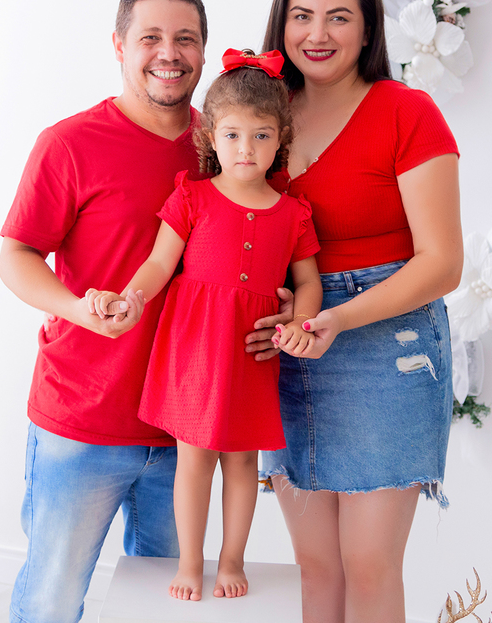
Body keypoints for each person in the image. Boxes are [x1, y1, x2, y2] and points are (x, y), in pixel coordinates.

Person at [249, 0, 464, 623]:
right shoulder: (261, 114)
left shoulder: (407, 111)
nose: (318, 33)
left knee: (369, 565)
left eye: (339, 18)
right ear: (281, 26)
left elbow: (442, 263)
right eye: (302, 16)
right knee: (316, 565)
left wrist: (338, 318)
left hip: (387, 346)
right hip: (287, 343)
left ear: (368, 29)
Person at [0, 0, 208, 623]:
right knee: (52, 601)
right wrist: (76, 308)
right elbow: (16, 256)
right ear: (119, 45)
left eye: (185, 38)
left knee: (168, 608)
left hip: (186, 429)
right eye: (150, 37)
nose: (169, 53)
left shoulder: (227, 146)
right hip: (81, 420)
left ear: (203, 50)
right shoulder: (69, 144)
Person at [87, 48, 323, 603]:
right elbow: (158, 264)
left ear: (281, 139)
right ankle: (190, 562)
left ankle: (232, 560)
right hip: (194, 348)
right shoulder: (191, 196)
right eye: (234, 135)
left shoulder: (293, 213)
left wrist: (302, 321)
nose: (247, 149)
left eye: (262, 136)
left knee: (242, 461)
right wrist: (131, 297)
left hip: (251, 351)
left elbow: (308, 283)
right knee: (193, 458)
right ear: (212, 137)